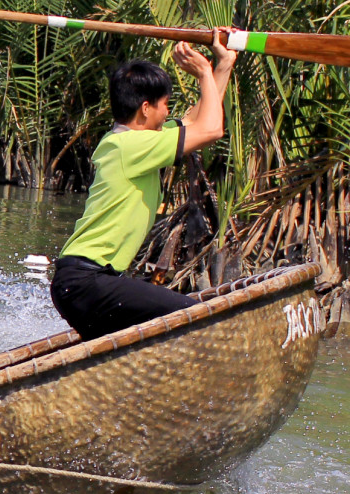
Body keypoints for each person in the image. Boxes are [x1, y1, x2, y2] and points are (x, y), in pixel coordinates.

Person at [50, 32, 237, 340]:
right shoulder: (131, 147)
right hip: (88, 281)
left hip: (82, 283)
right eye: (165, 105)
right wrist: (203, 71)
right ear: (146, 108)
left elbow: (196, 121)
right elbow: (212, 128)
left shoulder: (129, 142)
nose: (168, 114)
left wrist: (223, 64)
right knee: (195, 317)